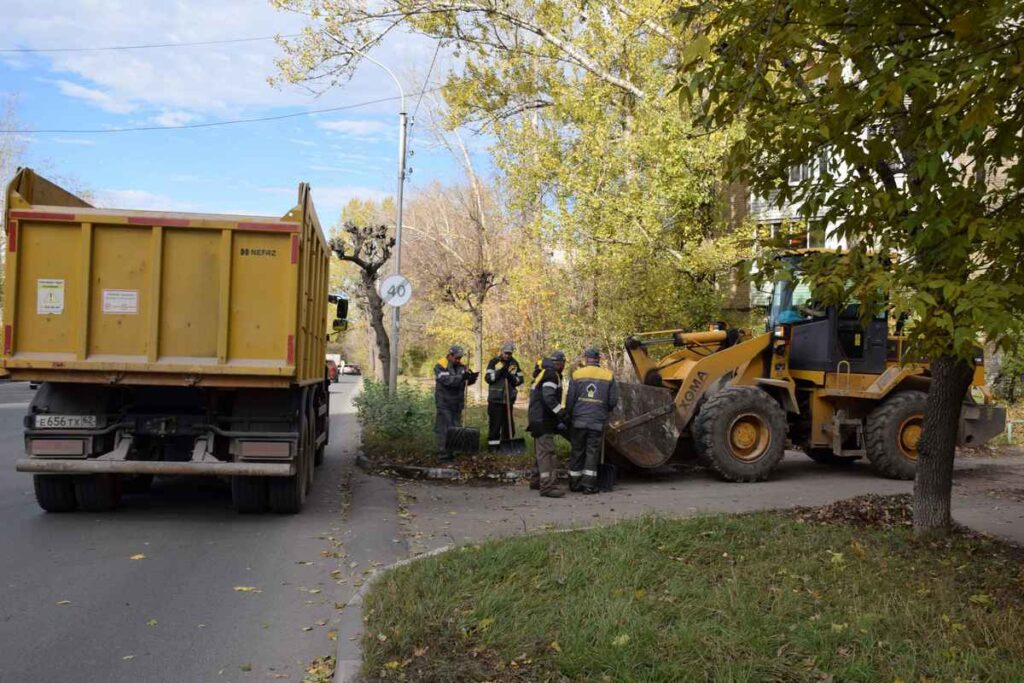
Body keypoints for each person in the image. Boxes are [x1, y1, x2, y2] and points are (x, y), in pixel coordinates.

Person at [564, 346, 619, 493]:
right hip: (597, 421)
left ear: (586, 359)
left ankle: (575, 484)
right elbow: (613, 400)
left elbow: (570, 399)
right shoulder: (608, 376)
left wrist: (568, 415)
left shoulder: (577, 375)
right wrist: (604, 410)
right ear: (598, 359)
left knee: (577, 451)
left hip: (578, 420)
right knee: (592, 452)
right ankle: (588, 486)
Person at [527, 350, 568, 498]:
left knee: (541, 451)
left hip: (537, 418)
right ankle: (547, 487)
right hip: (543, 419)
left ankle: (536, 480)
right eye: (563, 364)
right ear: (561, 363)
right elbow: (548, 397)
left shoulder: (543, 372)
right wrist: (560, 412)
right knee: (547, 453)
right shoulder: (551, 374)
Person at [433, 345, 478, 463]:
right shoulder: (441, 365)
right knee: (444, 429)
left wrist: (471, 378)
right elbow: (447, 381)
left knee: (455, 428)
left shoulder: (461, 367)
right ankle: (442, 455)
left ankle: (452, 453)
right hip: (445, 402)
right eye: (457, 358)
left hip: (457, 403)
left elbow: (464, 381)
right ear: (450, 355)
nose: (459, 360)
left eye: (460, 358)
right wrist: (461, 377)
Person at [484, 342, 525, 451]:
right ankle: (493, 447)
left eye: (509, 353)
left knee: (508, 426)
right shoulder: (494, 362)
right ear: (501, 351)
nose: (507, 355)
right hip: (495, 399)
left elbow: (520, 380)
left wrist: (510, 376)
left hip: (508, 400)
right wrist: (500, 372)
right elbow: (488, 378)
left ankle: (505, 447)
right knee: (495, 425)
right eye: (506, 353)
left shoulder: (514, 364)